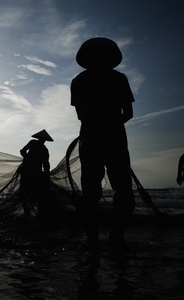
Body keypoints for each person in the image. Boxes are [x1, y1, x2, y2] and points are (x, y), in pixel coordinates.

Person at [70, 37, 136, 248]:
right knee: (123, 189)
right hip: (115, 137)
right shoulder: (119, 78)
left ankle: (93, 241)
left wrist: (96, 123)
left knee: (90, 192)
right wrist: (111, 123)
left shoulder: (79, 80)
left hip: (90, 137)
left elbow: (81, 115)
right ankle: (117, 236)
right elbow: (128, 113)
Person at [19, 129, 53, 219]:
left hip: (28, 171)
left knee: (25, 191)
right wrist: (47, 174)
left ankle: (29, 214)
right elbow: (46, 164)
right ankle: (34, 214)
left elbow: (22, 151)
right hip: (34, 172)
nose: (43, 140)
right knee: (35, 192)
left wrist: (27, 158)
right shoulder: (43, 148)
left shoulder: (34, 144)